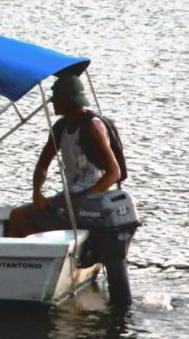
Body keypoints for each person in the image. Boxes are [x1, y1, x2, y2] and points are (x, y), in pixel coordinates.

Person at [6, 74, 121, 238]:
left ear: (69, 100)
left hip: (94, 199)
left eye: (57, 98)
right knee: (18, 216)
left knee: (23, 219)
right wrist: (37, 192)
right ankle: (27, 260)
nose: (52, 102)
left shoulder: (92, 126)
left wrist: (84, 201)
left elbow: (114, 173)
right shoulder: (60, 127)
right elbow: (43, 165)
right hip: (71, 197)